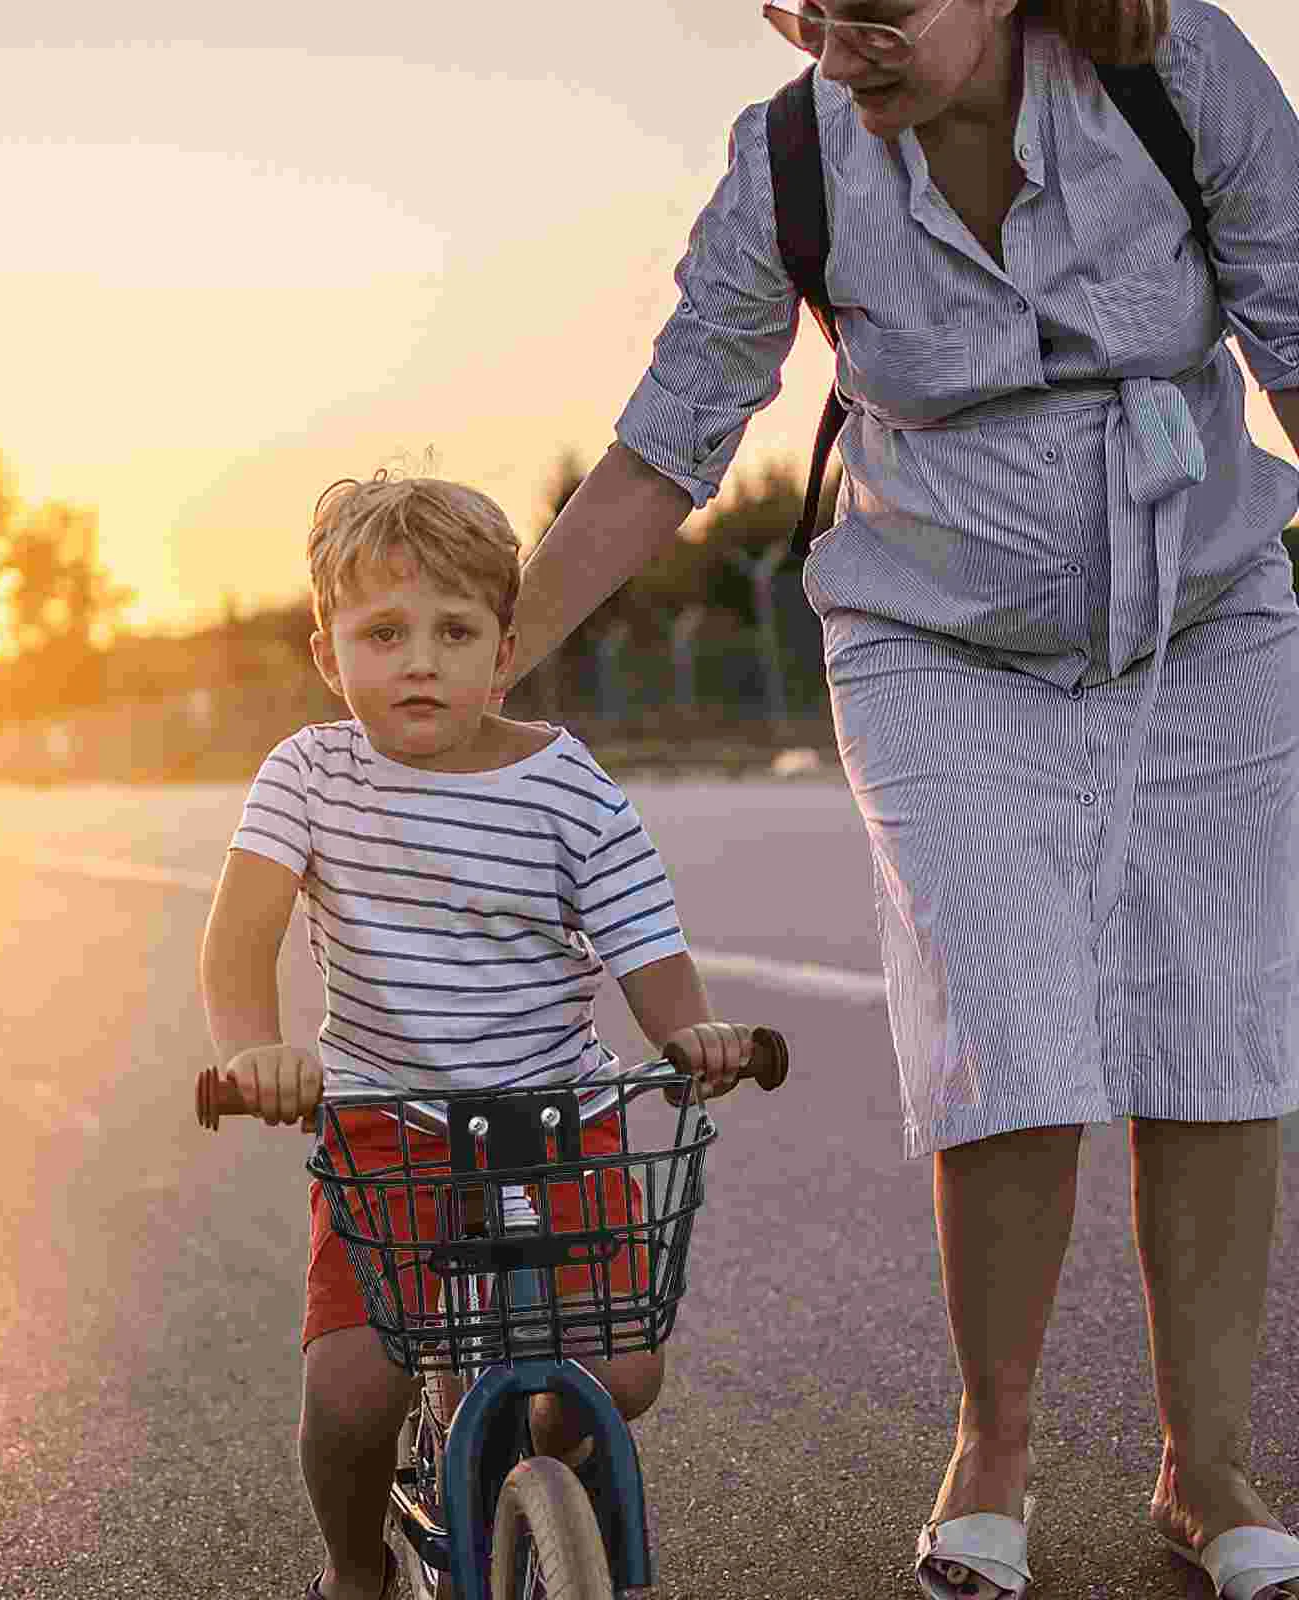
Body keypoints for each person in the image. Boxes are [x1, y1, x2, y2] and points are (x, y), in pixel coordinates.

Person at [499, 1, 1299, 1597]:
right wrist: (489, 662)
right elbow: (672, 440)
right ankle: (989, 1449)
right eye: (809, 6)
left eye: (877, 11)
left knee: (1218, 1018)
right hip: (934, 638)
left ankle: (1205, 1470)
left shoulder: (1173, 66)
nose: (837, 42)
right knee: (1004, 1012)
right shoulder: (788, 156)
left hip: (1204, 616)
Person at [200, 470, 762, 1600]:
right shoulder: (308, 776)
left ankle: (541, 1481)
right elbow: (240, 934)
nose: (420, 658)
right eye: (383, 631)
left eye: (455, 630)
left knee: (621, 1368)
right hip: (383, 1124)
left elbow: (645, 943)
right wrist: (252, 1047)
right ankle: (355, 1567)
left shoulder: (567, 786)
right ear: (329, 655)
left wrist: (691, 1032)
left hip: (555, 1119)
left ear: (502, 652)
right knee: (353, 1391)